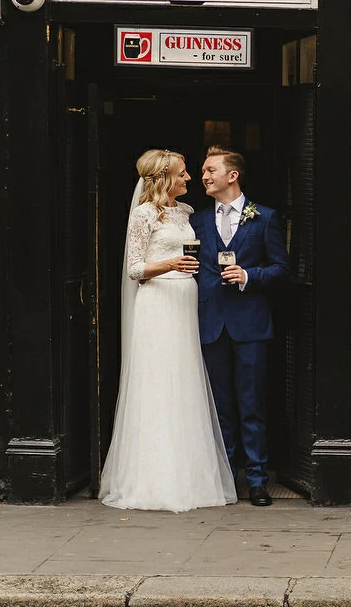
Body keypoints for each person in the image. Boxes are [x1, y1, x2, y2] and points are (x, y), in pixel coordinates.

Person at [99, 149, 236, 512]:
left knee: (185, 380)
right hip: (158, 301)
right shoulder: (143, 215)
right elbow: (134, 269)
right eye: (182, 173)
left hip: (184, 300)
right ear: (163, 178)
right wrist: (171, 264)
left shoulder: (187, 212)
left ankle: (190, 476)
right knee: (158, 382)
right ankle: (152, 479)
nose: (189, 178)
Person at [192, 146, 289, 507]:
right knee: (220, 407)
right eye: (202, 170)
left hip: (251, 325)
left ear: (232, 176)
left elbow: (282, 267)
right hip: (211, 322)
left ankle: (258, 480)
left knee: (251, 404)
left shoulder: (264, 217)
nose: (204, 176)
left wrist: (250, 275)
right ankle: (225, 478)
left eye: (210, 169)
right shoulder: (198, 220)